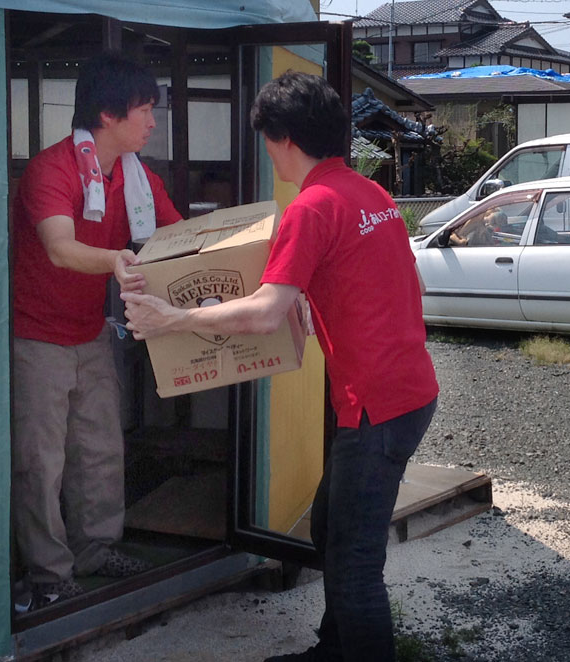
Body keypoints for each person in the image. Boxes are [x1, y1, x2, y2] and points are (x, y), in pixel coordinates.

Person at [121, 71, 439, 662]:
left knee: (354, 565)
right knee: (329, 531)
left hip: (376, 405)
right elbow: (395, 283)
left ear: (284, 137)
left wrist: (172, 320)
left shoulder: (311, 208)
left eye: (267, 139)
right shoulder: (373, 196)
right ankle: (331, 649)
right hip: (408, 390)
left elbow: (266, 314)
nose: (267, 152)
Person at [11, 51, 181, 610]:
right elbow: (60, 248)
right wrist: (117, 260)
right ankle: (48, 572)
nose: (153, 122)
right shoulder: (52, 169)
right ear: (109, 114)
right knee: (41, 461)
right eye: (145, 110)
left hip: (90, 331)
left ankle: (96, 551)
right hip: (35, 336)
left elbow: (180, 234)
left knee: (100, 450)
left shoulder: (136, 176)